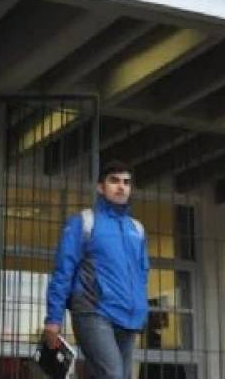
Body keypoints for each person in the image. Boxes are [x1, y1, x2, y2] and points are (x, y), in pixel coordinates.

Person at [43, 161, 150, 379]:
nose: (121, 187)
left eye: (126, 182)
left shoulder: (137, 229)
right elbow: (63, 270)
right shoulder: (84, 222)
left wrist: (140, 309)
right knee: (113, 375)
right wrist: (53, 319)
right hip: (93, 311)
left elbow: (142, 274)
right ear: (101, 187)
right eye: (114, 181)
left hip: (129, 317)